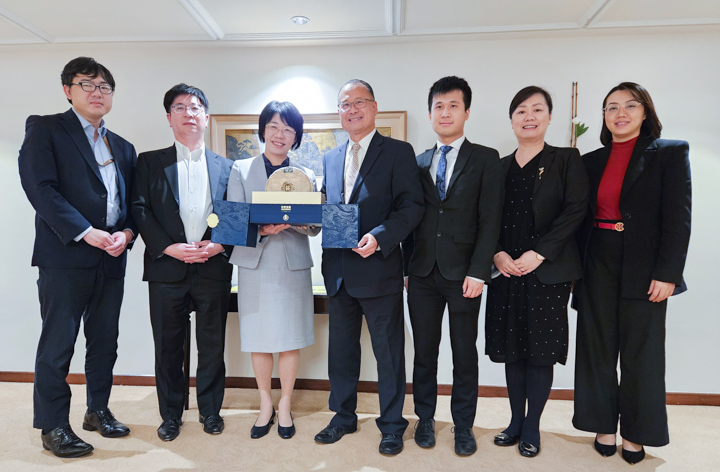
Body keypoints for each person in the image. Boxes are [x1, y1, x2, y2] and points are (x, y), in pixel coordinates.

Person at [18, 57, 136, 458]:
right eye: (88, 84)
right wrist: (87, 232)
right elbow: (41, 189)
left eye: (105, 87)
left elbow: (130, 204)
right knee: (58, 344)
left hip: (111, 257)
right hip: (65, 255)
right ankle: (53, 426)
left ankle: (97, 410)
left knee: (104, 342)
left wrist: (126, 234)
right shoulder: (47, 129)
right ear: (68, 90)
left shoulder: (123, 147)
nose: (97, 93)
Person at [572, 82, 691, 464]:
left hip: (645, 266)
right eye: (611, 107)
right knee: (597, 349)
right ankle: (603, 426)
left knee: (642, 354)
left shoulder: (670, 153)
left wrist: (668, 273)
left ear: (645, 112)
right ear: (604, 117)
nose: (620, 113)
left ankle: (636, 434)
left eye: (630, 105)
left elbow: (678, 218)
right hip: (597, 261)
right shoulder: (590, 160)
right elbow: (579, 219)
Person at [315, 79, 424, 455]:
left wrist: (379, 237)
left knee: (389, 353)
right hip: (338, 271)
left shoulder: (398, 152)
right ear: (339, 113)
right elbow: (329, 209)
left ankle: (392, 424)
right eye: (345, 104)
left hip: (379, 268)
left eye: (359, 102)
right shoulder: (330, 158)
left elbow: (411, 206)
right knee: (341, 352)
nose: (352, 110)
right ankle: (342, 416)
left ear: (374, 108)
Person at [485, 86, 588, 458]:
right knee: (512, 350)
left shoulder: (566, 159)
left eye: (537, 109)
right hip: (507, 271)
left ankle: (532, 426)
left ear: (549, 117)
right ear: (511, 120)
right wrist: (497, 254)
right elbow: (486, 218)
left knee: (540, 351)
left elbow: (575, 210)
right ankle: (515, 421)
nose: (529, 117)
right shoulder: (497, 167)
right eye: (521, 111)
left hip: (547, 272)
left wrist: (540, 253)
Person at [403, 76, 503, 456]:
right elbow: (409, 218)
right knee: (424, 354)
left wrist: (479, 272)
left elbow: (490, 221)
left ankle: (463, 425)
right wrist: (406, 269)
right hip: (421, 274)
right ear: (430, 114)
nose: (445, 113)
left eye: (453, 106)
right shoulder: (417, 162)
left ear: (467, 112)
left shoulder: (486, 159)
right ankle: (425, 419)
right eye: (439, 107)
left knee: (464, 354)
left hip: (465, 275)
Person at [131, 83, 233, 441]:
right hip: (166, 268)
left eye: (195, 107)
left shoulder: (227, 166)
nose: (188, 113)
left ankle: (210, 411)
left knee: (212, 345)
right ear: (169, 117)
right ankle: (171, 415)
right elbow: (140, 210)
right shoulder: (149, 162)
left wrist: (219, 245)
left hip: (212, 267)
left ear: (205, 116)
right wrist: (168, 247)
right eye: (180, 107)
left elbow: (235, 214)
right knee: (168, 347)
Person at [227, 100, 319, 440]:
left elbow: (315, 228)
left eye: (289, 129)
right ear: (263, 130)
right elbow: (234, 219)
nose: (280, 134)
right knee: (259, 338)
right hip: (256, 263)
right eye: (274, 127)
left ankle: (285, 404)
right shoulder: (241, 169)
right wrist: (262, 230)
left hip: (293, 264)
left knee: (290, 338)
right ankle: (265, 403)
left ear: (296, 136)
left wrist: (299, 222)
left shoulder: (307, 175)